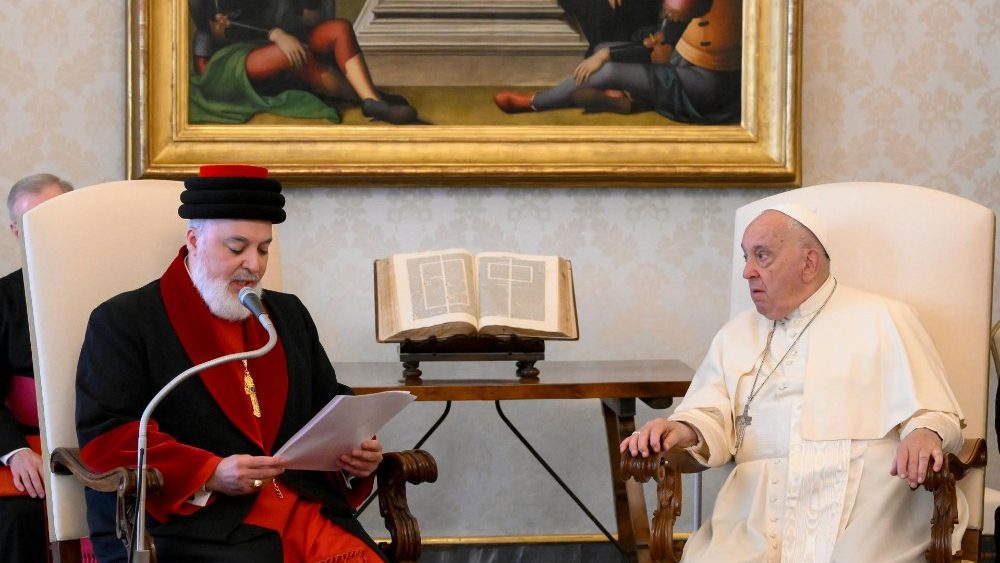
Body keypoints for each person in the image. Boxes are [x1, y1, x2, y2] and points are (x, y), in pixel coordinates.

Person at [620, 205, 967, 561]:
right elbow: (711, 415)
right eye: (746, 257)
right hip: (755, 514)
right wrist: (681, 429)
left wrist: (924, 432)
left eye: (762, 256)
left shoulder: (885, 318)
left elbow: (936, 411)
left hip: (867, 508)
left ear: (809, 263)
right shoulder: (734, 335)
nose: (747, 271)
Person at [76, 165, 386, 562]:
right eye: (237, 249)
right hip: (200, 522)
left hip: (301, 504)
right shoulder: (125, 320)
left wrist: (356, 449)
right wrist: (209, 472)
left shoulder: (287, 315)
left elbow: (328, 404)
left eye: (263, 249)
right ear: (194, 241)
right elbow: (109, 435)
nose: (254, 265)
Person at [495, 0, 741, 124]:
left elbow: (659, 47)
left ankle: (535, 102)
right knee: (602, 49)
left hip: (707, 88)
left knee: (608, 68)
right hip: (682, 61)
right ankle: (623, 98)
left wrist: (607, 56)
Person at [189, 0, 419, 124]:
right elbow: (219, 28)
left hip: (281, 40)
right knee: (295, 55)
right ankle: (369, 98)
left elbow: (309, 20)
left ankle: (371, 99)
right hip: (223, 61)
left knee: (339, 29)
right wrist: (275, 34)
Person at [1, 173, 74, 562]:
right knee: (18, 515)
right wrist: (14, 452)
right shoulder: (2, 297)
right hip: (25, 445)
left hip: (98, 439)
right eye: (32, 222)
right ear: (16, 231)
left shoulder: (112, 288)